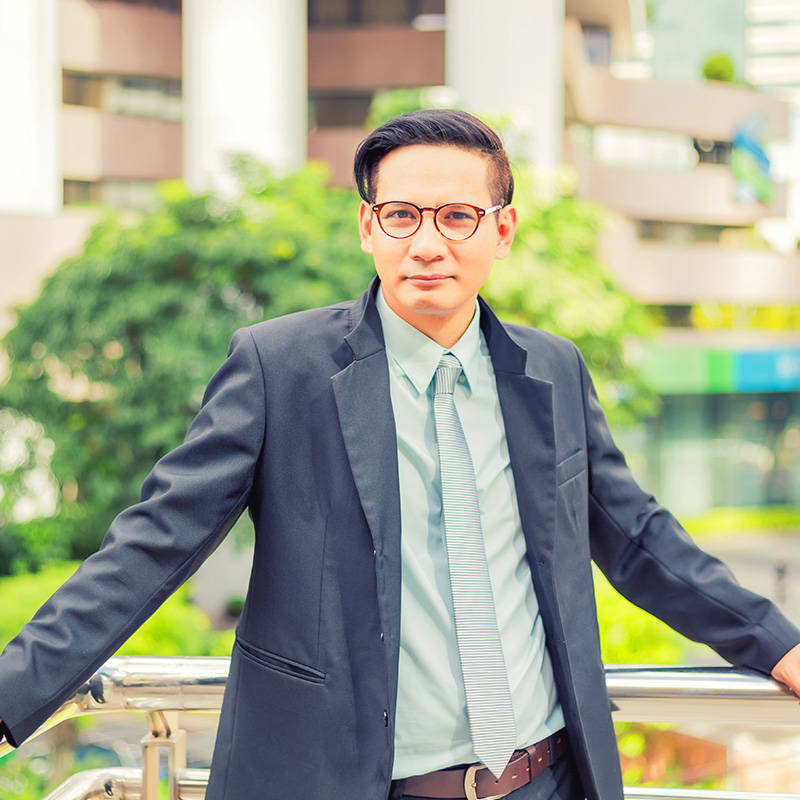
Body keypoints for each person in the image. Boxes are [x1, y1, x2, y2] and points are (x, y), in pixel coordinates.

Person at [1, 109, 799, 800]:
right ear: (367, 226)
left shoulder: (551, 370)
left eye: (457, 217)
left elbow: (638, 538)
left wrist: (777, 643)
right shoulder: (280, 369)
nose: (427, 244)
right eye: (402, 216)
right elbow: (149, 547)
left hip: (544, 778)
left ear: (501, 230)